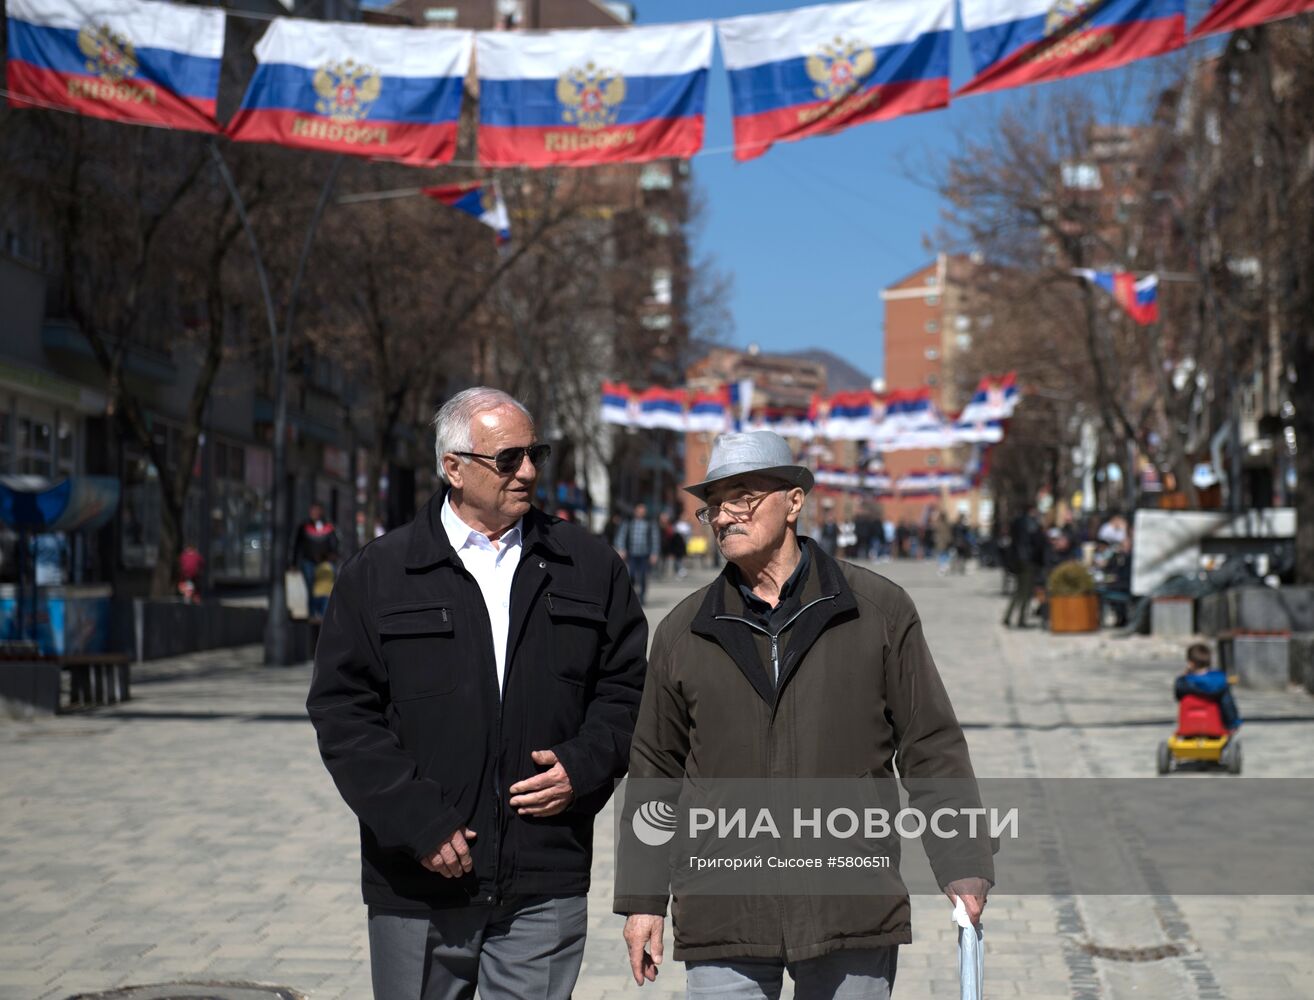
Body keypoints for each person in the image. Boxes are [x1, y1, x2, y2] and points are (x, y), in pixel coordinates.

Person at [615, 431, 992, 999]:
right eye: (713, 504)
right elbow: (653, 772)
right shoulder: (682, 631)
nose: (723, 517)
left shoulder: (877, 610)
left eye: (742, 497)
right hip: (724, 910)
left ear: (794, 501)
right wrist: (644, 902)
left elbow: (929, 742)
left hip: (850, 901)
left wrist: (961, 858)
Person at [307, 387, 648, 1000]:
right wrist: (417, 823)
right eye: (509, 458)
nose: (529, 471)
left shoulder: (591, 567)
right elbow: (342, 712)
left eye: (535, 454)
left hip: (544, 877)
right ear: (453, 467)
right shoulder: (380, 573)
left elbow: (627, 693)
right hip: (418, 884)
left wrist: (584, 766)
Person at [1175, 642, 1241, 730]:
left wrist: (1183, 676)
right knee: (1226, 696)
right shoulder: (1219, 679)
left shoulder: (1185, 682)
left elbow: (1178, 696)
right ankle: (1231, 723)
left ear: (1190, 663)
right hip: (1215, 724)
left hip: (1189, 725)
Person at [292, 500, 340, 619]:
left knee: (325, 589)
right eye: (312, 510)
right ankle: (312, 613)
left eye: (316, 510)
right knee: (310, 588)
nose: (314, 513)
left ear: (321, 512)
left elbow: (334, 545)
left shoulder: (329, 527)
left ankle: (324, 614)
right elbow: (297, 545)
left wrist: (329, 556)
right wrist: (293, 563)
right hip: (308, 562)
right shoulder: (304, 527)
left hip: (324, 563)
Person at [1001, 502, 1045, 629]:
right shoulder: (1030, 523)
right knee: (1025, 592)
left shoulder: (1016, 521)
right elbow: (1036, 541)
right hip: (1028, 561)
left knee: (1018, 590)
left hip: (1018, 560)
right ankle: (1021, 619)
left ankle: (1008, 617)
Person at [615, 501, 660, 603]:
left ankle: (642, 596)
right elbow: (621, 536)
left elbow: (655, 539)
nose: (641, 512)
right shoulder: (628, 523)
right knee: (632, 575)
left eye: (643, 511)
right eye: (639, 510)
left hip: (645, 554)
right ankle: (632, 597)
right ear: (635, 511)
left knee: (644, 576)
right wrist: (621, 549)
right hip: (632, 554)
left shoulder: (650, 523)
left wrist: (654, 553)